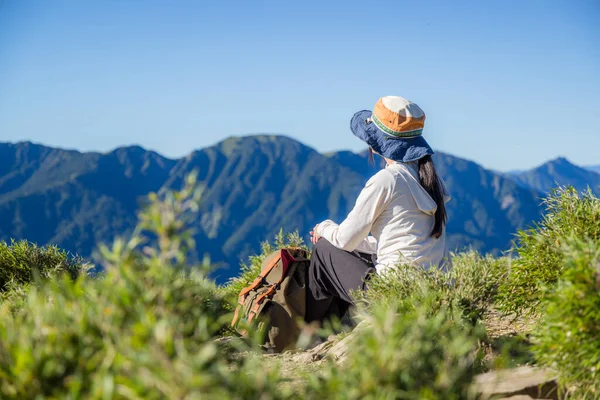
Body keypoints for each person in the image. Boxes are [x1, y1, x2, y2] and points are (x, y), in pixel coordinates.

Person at [305, 95, 451, 324]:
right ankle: (329, 328)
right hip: (432, 293)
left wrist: (323, 228)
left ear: (375, 144)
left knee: (325, 249)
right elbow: (399, 241)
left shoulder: (387, 180)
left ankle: (309, 331)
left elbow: (344, 240)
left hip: (391, 296)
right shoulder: (431, 180)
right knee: (346, 249)